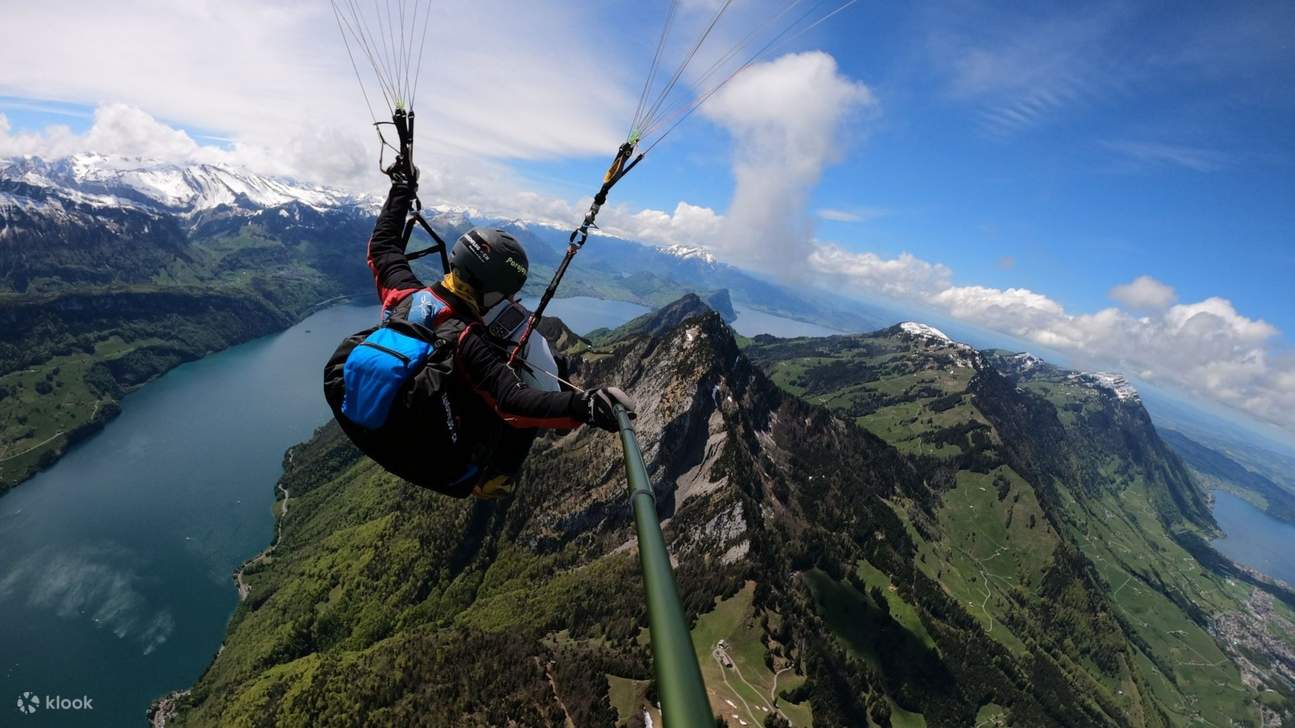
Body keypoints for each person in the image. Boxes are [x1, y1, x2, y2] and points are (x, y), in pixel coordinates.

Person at [324, 162, 635, 499]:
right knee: (507, 403)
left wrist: (401, 188)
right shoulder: (466, 340)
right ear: (490, 291)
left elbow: (383, 248)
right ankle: (493, 482)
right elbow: (512, 401)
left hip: (358, 418)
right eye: (505, 295)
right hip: (439, 469)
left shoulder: (404, 296)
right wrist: (583, 406)